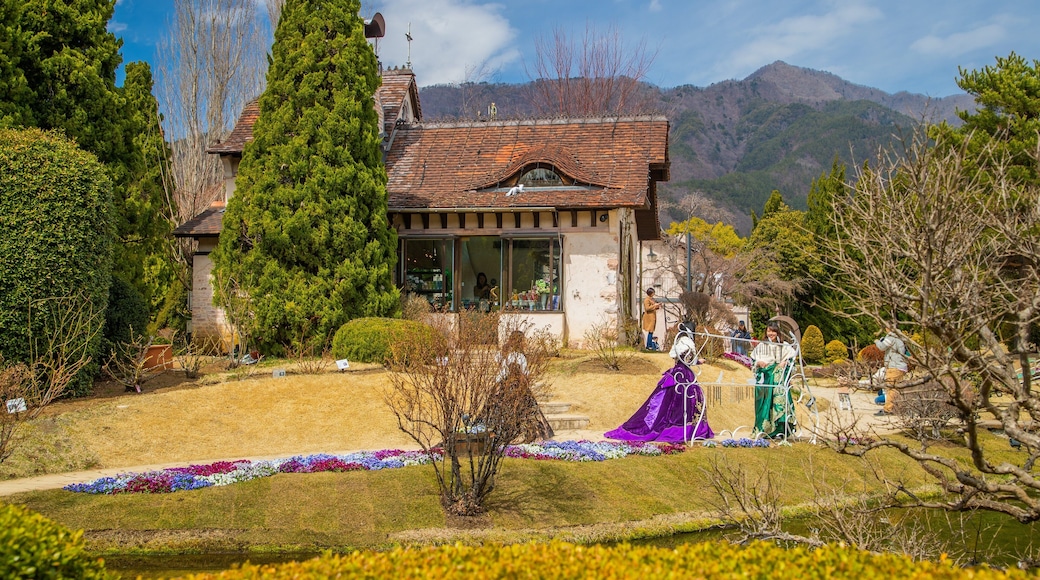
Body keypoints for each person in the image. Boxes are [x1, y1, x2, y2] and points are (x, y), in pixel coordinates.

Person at [605, 321, 714, 442]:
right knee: (686, 400)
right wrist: (699, 361)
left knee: (667, 401)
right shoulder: (687, 342)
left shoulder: (679, 341)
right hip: (683, 375)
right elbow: (688, 360)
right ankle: (685, 429)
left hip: (677, 373)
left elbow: (678, 357)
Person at [492, 330, 554, 442]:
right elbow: (524, 374)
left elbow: (500, 370)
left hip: (502, 386)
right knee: (526, 411)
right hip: (517, 386)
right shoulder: (519, 356)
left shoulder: (501, 354)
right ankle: (527, 435)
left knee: (501, 411)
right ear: (520, 342)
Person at [750, 321, 797, 438]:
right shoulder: (762, 345)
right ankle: (765, 429)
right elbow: (753, 361)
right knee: (765, 401)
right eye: (769, 331)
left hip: (779, 379)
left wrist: (785, 363)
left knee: (781, 400)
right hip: (766, 377)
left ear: (777, 332)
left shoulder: (784, 345)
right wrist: (758, 363)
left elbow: (791, 360)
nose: (771, 333)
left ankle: (781, 428)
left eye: (773, 331)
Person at [875, 323, 909, 416]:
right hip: (901, 366)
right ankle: (897, 407)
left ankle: (888, 409)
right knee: (897, 388)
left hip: (894, 366)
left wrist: (877, 341)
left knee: (890, 388)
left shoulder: (891, 337)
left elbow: (882, 347)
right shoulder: (901, 338)